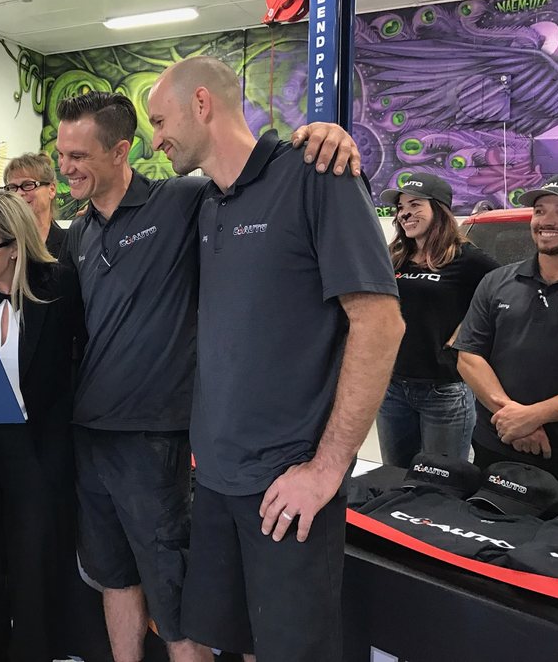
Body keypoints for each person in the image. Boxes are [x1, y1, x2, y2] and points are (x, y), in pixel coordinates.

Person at [56, 86, 361, 662]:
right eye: (61, 155)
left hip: (157, 436)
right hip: (92, 433)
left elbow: (248, 174)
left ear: (119, 152)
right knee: (114, 576)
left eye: (78, 155)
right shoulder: (80, 232)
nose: (66, 167)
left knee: (175, 597)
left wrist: (325, 132)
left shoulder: (182, 199)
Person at [147, 55, 404, 662]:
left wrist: (326, 470)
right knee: (231, 642)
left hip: (288, 485)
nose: (154, 140)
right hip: (215, 480)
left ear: (201, 104)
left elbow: (380, 323)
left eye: (159, 121)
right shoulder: (207, 203)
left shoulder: (317, 175)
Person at [0, 189, 109, 661]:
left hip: (39, 447)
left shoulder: (60, 285)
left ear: (14, 245)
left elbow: (82, 361)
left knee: (36, 559)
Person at [375, 173, 498, 466]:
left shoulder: (467, 259)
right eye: (401, 207)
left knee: (442, 481)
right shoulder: (395, 257)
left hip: (444, 390)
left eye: (415, 205)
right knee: (395, 478)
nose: (405, 213)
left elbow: (505, 296)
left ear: (439, 209)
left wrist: (467, 331)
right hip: (392, 388)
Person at [455, 174, 558, 479]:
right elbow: (469, 357)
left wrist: (533, 416)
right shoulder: (496, 281)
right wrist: (513, 418)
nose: (547, 221)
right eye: (540, 211)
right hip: (497, 443)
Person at [0, 152, 68, 257]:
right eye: (12, 187)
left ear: (51, 190)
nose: (19, 193)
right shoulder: (0, 241)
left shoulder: (69, 244)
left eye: (28, 185)